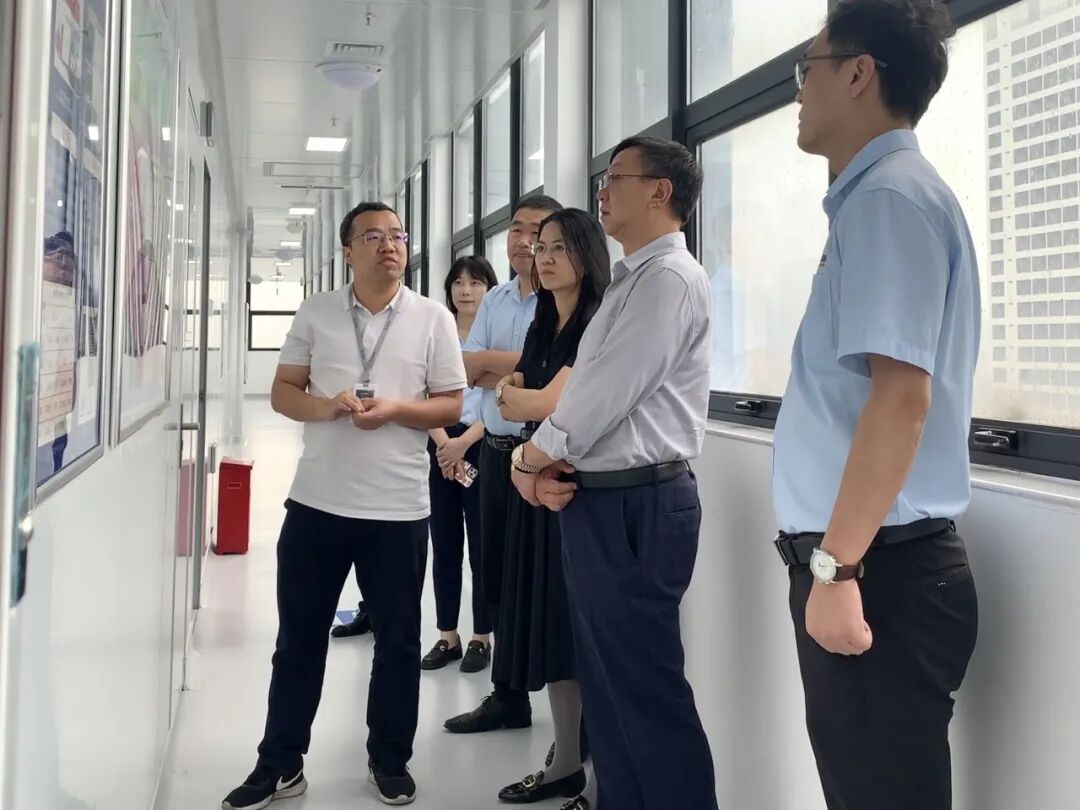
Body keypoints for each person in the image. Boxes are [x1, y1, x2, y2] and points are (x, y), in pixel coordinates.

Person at [772, 2, 980, 809]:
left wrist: (837, 568)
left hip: (875, 570)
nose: (799, 91)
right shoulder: (879, 197)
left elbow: (901, 398)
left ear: (859, 73)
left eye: (808, 69)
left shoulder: (889, 198)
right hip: (870, 563)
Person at [222, 202, 466, 809]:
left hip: (398, 509)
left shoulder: (433, 318)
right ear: (347, 251)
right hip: (317, 505)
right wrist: (329, 406)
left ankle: (390, 759)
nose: (389, 245)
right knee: (298, 641)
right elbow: (284, 392)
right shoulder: (317, 311)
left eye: (398, 235)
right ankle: (280, 764)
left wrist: (395, 410)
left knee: (398, 644)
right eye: (373, 236)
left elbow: (451, 404)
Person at [510, 137, 716, 810]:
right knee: (608, 687)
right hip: (601, 500)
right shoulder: (633, 279)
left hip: (638, 506)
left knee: (646, 691)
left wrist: (528, 458)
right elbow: (585, 394)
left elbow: (604, 395)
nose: (601, 190)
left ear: (660, 191)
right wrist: (541, 461)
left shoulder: (668, 280)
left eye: (616, 177)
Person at [490, 209, 610, 806]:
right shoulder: (542, 322)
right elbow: (511, 394)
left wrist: (522, 399)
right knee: (555, 636)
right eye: (541, 247)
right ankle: (565, 760)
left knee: (587, 639)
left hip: (577, 491)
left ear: (587, 254)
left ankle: (602, 778)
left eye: (559, 247)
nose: (545, 257)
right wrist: (521, 400)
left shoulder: (596, 322)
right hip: (534, 487)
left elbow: (544, 403)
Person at [444, 194, 564, 735]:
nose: (523, 240)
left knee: (546, 585)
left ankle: (571, 715)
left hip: (543, 458)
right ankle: (508, 696)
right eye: (516, 228)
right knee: (493, 572)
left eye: (536, 230)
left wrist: (504, 368)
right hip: (495, 455)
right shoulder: (495, 299)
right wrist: (516, 368)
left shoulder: (566, 299)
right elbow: (468, 369)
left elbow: (554, 374)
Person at [421, 255, 499, 673]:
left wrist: (463, 443)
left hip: (480, 443)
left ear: (489, 289)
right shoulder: (437, 333)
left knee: (482, 547)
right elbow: (422, 392)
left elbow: (500, 400)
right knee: (444, 543)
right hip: (440, 445)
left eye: (476, 283)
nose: (465, 290)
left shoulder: (494, 337)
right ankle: (447, 635)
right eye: (458, 283)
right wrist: (444, 445)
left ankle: (481, 637)